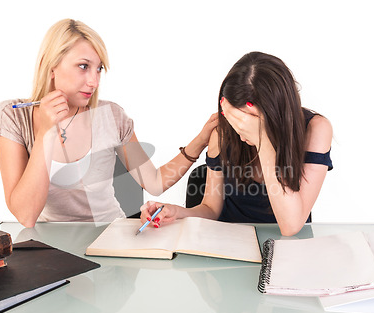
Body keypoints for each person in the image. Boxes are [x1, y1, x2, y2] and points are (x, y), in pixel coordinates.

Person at [0, 19, 217, 227]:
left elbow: (154, 182)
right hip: (50, 245)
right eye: (83, 66)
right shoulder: (12, 117)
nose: (94, 81)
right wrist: (46, 134)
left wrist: (201, 140)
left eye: (99, 69)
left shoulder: (112, 116)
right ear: (51, 67)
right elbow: (26, 215)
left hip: (109, 235)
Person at [140, 52, 333, 236]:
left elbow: (291, 226)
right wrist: (177, 211)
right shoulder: (223, 133)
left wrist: (263, 141)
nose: (240, 133)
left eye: (247, 122)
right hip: (228, 245)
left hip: (287, 250)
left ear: (277, 112)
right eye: (235, 120)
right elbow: (210, 209)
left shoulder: (316, 129)